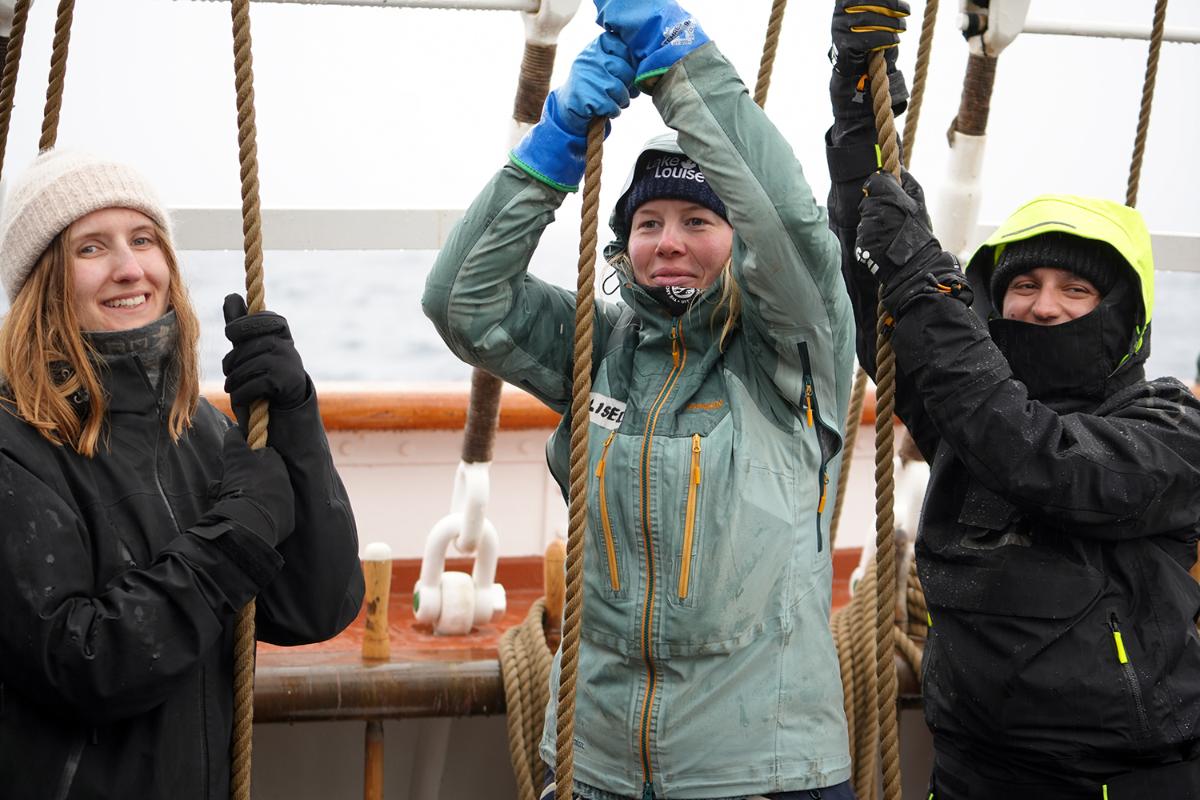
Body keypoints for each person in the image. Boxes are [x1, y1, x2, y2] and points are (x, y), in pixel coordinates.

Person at [424, 2, 859, 797]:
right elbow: (462, 302)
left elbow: (787, 224)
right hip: (593, 765)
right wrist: (555, 144)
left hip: (763, 773)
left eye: (698, 220)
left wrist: (679, 66)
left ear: (740, 240)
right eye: (648, 222)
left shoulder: (794, 353)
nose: (669, 242)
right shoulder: (600, 348)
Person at [826, 6, 1200, 796]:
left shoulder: (1173, 431)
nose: (1044, 304)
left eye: (1076, 289)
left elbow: (1044, 459)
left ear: (1126, 318)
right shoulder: (965, 407)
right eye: (1024, 283)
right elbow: (880, 286)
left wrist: (927, 283)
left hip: (1123, 782)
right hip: (971, 773)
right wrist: (860, 103)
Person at [0, 150, 365, 799]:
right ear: (43, 281)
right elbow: (81, 663)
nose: (130, 268)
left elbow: (313, 609)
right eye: (91, 248)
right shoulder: (13, 444)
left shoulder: (199, 429)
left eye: (144, 239)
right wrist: (236, 536)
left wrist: (294, 422)